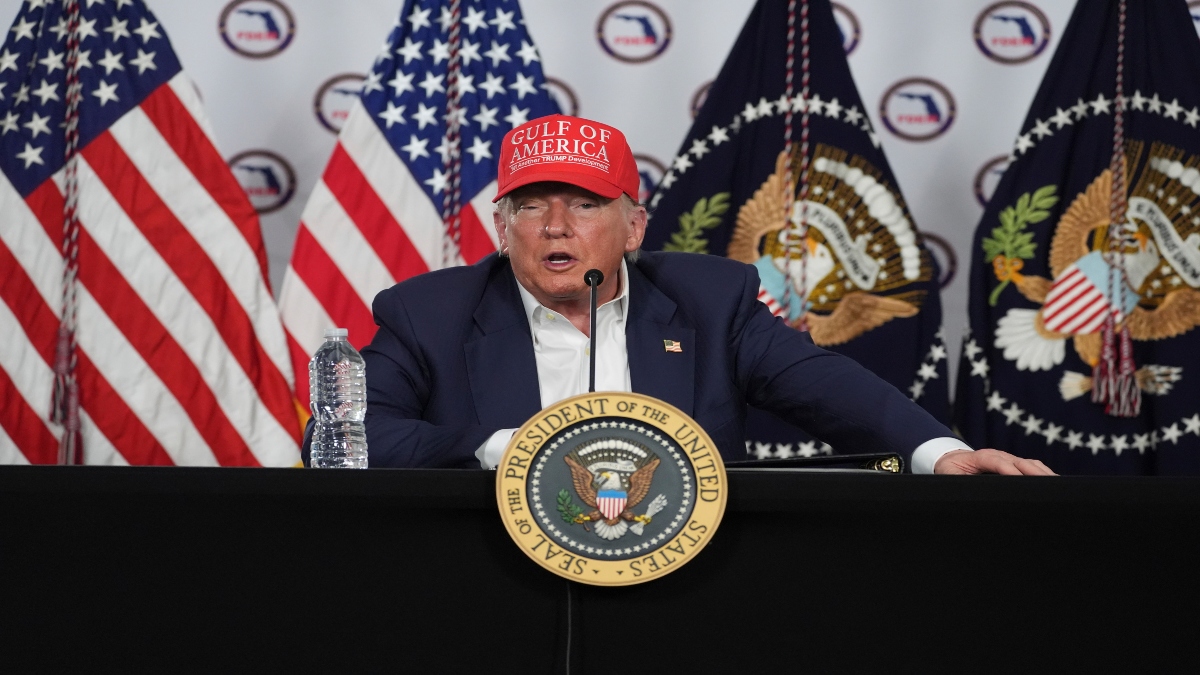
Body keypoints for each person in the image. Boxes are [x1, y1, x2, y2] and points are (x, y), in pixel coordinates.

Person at [360, 114, 1052, 476]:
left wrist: (939, 452)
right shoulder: (426, 312)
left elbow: (826, 386)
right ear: (501, 226)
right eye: (533, 206)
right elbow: (351, 438)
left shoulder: (711, 299)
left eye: (584, 205)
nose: (557, 227)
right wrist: (495, 448)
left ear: (634, 226)